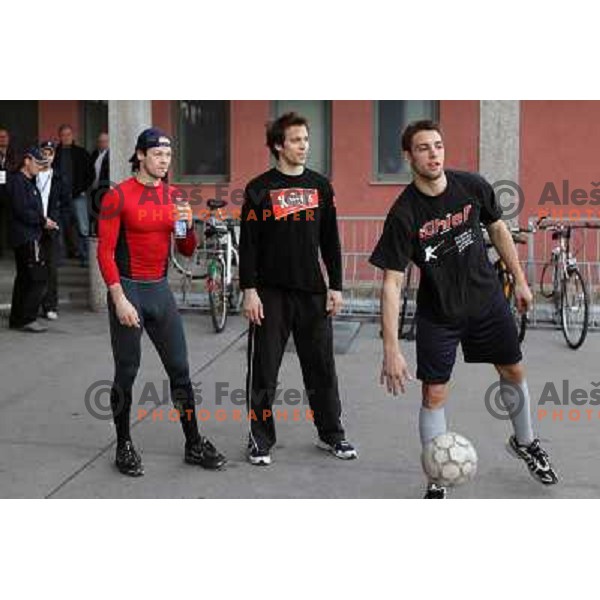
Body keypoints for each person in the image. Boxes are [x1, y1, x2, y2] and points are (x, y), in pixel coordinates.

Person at [369, 120, 558, 498]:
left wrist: (520, 279)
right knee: (434, 393)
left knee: (513, 370)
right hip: (439, 312)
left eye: (438, 145)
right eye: (423, 148)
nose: (433, 153)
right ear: (409, 157)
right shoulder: (404, 213)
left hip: (487, 300)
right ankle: (437, 477)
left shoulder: (471, 186)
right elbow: (391, 283)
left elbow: (498, 229)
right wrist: (390, 348)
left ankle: (526, 442)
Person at [97, 127, 226, 477]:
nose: (164, 160)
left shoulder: (173, 196)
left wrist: (186, 226)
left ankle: (193, 443)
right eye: (157, 154)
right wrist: (118, 298)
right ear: (140, 155)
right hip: (129, 291)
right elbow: (105, 251)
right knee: (127, 371)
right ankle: (123, 444)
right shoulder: (117, 196)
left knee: (181, 370)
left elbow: (185, 248)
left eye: (168, 155)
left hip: (160, 291)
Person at [239, 111, 357, 466]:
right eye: (295, 140)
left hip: (312, 292)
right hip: (270, 294)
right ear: (278, 145)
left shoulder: (321, 186)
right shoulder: (259, 189)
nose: (303, 145)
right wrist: (249, 289)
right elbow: (249, 245)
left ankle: (331, 433)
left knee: (321, 367)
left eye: (306, 139)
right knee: (264, 370)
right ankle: (259, 438)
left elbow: (329, 240)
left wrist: (335, 286)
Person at [7, 146, 59, 332]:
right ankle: (27, 318)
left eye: (43, 163)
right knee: (36, 278)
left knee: (25, 278)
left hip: (29, 235)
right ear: (27, 161)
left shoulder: (28, 182)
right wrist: (43, 221)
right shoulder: (18, 182)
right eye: (38, 163)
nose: (40, 167)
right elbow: (22, 210)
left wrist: (43, 221)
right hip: (27, 237)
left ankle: (18, 318)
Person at [53, 124, 94, 266]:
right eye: (63, 135)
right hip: (58, 198)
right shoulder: (54, 153)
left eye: (68, 134)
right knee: (58, 228)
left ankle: (85, 258)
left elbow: (91, 174)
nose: (66, 137)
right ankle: (60, 259)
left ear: (73, 135)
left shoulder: (81, 153)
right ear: (59, 136)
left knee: (83, 228)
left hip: (78, 196)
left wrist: (82, 189)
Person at [37, 141, 69, 320]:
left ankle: (50, 305)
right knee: (33, 267)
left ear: (54, 156)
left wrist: (57, 222)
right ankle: (32, 304)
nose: (46, 156)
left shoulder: (59, 177)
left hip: (52, 228)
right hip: (33, 226)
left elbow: (66, 204)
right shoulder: (32, 175)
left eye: (50, 153)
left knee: (51, 268)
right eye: (44, 152)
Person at [0, 128, 17, 258]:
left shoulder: (14, 153)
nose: (2, 139)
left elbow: (16, 169)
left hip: (11, 193)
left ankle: (12, 248)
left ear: (8, 138)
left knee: (12, 221)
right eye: (0, 137)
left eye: (4, 136)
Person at [89, 132, 110, 237]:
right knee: (95, 212)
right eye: (100, 141)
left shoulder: (111, 155)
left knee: (104, 212)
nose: (102, 144)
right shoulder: (94, 154)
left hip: (106, 189)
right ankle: (96, 232)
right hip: (94, 189)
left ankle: (102, 233)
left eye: (105, 141)